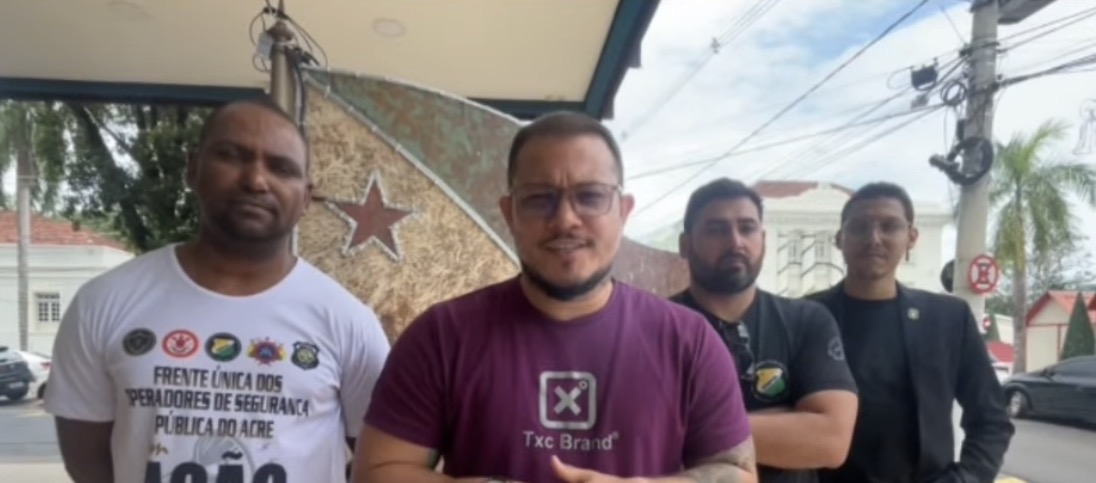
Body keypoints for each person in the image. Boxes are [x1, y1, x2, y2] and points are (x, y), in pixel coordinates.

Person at [352, 111, 758, 483]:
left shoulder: (688, 341)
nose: (565, 219)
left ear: (623, 211)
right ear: (510, 213)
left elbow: (737, 472)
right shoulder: (442, 336)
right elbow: (376, 471)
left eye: (591, 196)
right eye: (539, 198)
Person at [43, 97, 392, 483]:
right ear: (193, 168)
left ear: (306, 197)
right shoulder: (103, 303)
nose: (256, 181)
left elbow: (379, 465)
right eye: (232, 156)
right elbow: (88, 464)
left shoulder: (348, 322)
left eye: (281, 168)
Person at [805, 182, 1014, 483]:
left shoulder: (948, 319)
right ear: (840, 239)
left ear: (911, 238)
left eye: (889, 226)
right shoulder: (804, 317)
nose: (874, 238)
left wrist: (964, 478)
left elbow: (991, 419)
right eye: (860, 227)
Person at [669, 178, 858, 483]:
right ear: (685, 245)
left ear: (764, 240)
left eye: (747, 228)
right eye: (717, 229)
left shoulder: (805, 320)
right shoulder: (654, 328)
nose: (735, 242)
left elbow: (831, 442)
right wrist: (786, 422)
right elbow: (641, 433)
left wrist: (690, 428)